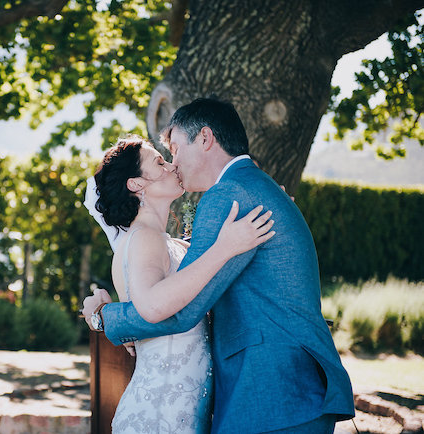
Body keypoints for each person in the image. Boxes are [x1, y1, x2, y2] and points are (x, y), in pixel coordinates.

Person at [82, 97, 355, 433]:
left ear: (206, 138)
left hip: (270, 391)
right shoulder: (255, 187)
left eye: (176, 149)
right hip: (283, 389)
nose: (174, 162)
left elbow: (183, 312)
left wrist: (107, 317)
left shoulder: (229, 196)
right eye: (163, 159)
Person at [84, 135, 275, 433]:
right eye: (159, 162)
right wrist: (225, 248)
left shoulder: (162, 241)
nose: (172, 165)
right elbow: (153, 305)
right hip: (158, 413)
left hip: (181, 411)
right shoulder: (143, 238)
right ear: (136, 184)